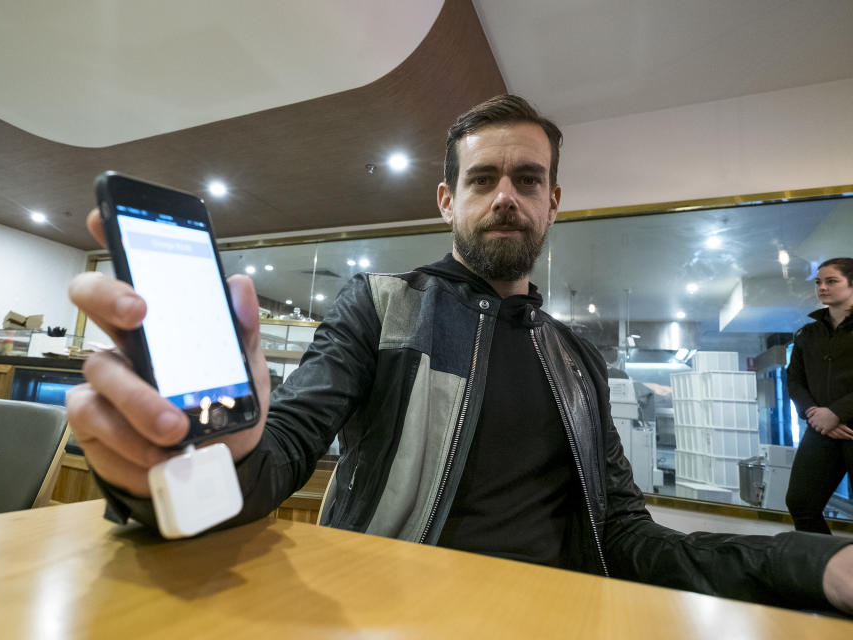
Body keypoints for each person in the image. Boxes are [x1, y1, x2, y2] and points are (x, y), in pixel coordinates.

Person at [66, 95, 853, 613]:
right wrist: (191, 469)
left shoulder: (577, 355)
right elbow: (278, 458)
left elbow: (625, 533)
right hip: (388, 617)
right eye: (483, 179)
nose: (505, 194)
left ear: (554, 202)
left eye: (527, 178)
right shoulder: (379, 308)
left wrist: (809, 566)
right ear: (448, 200)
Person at [786, 258, 853, 534]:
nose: (822, 287)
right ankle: (826, 568)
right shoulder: (807, 333)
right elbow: (794, 379)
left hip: (848, 427)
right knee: (801, 502)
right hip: (819, 430)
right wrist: (814, 413)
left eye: (831, 281)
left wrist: (835, 413)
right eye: (818, 282)